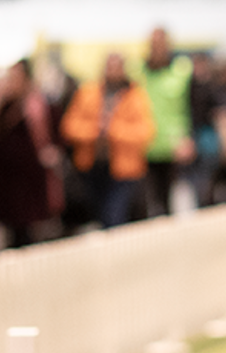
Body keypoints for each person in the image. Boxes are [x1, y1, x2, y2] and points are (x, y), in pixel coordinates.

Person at [60, 52, 155, 228]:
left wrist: (114, 131)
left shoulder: (135, 95)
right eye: (109, 66)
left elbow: (145, 131)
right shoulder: (88, 92)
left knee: (114, 217)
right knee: (98, 215)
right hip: (92, 166)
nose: (112, 71)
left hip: (123, 170)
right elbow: (69, 126)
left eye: (116, 66)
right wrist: (94, 131)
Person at [0, 59, 63, 249]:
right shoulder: (3, 103)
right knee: (10, 228)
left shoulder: (38, 104)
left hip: (30, 174)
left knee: (29, 226)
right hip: (5, 175)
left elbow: (54, 135)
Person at [139, 28, 196, 218]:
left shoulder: (183, 69)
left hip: (174, 145)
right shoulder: (137, 70)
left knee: (173, 200)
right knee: (146, 202)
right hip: (143, 143)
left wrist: (189, 138)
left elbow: (194, 105)